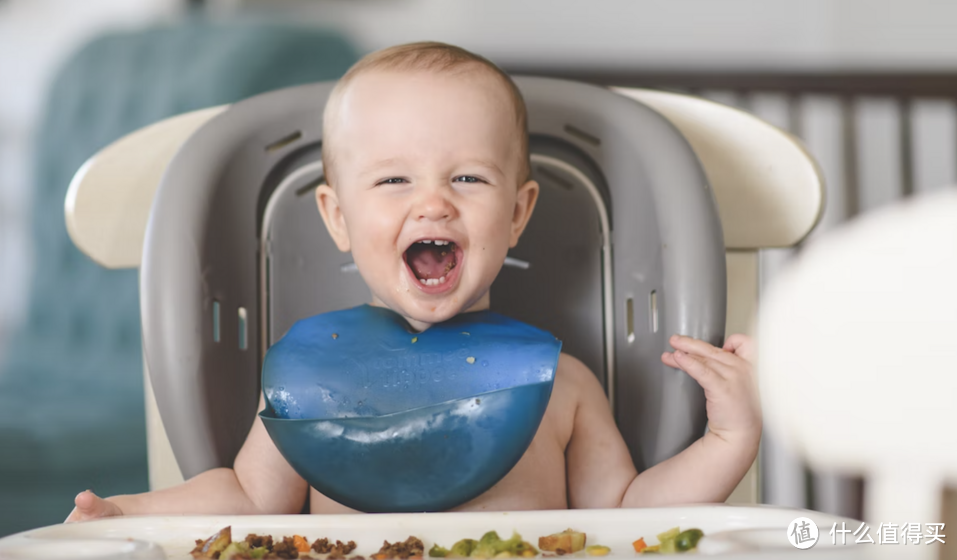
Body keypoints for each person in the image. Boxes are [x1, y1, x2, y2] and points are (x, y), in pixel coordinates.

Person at [67, 42, 760, 520]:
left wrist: (728, 441)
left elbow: (625, 514)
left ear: (518, 213)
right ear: (337, 218)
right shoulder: (311, 381)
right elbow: (249, 498)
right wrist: (131, 510)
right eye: (394, 180)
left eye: (467, 178)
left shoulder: (562, 385)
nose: (433, 203)